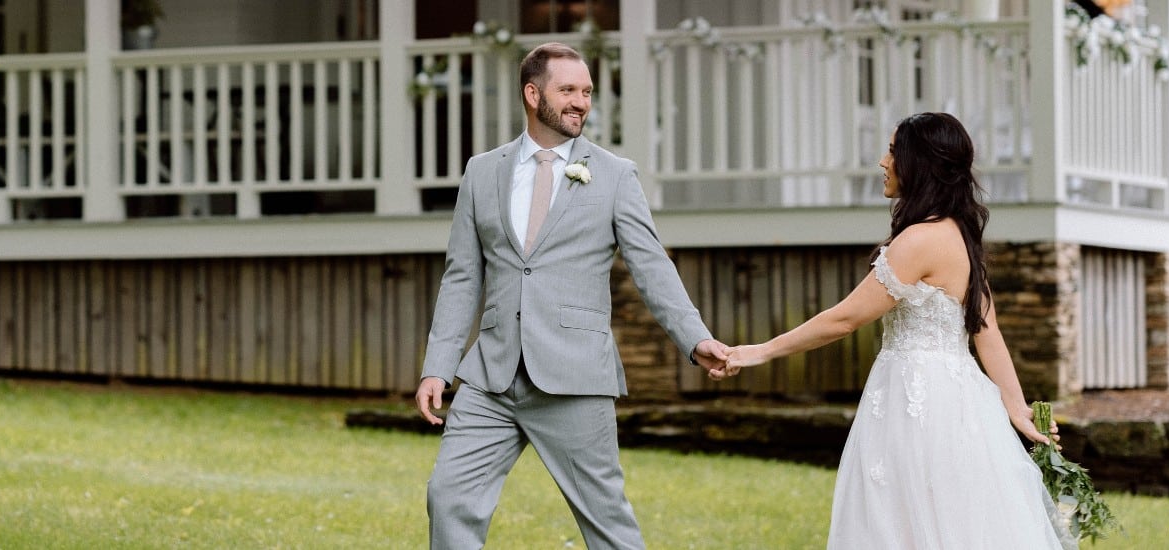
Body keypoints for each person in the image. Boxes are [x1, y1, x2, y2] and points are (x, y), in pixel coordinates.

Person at [415, 42, 729, 550]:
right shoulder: (482, 172)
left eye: (586, 91)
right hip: (490, 378)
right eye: (568, 90)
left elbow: (652, 266)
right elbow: (462, 276)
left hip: (575, 378)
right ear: (532, 93)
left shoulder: (614, 174)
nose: (581, 101)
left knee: (607, 523)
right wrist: (438, 365)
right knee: (448, 497)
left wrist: (695, 339)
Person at [718, 112, 1076, 550]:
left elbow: (845, 319)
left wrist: (757, 352)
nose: (882, 161)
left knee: (906, 523)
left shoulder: (920, 240)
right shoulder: (958, 233)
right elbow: (987, 328)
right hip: (958, 401)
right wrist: (1014, 407)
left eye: (892, 150)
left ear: (917, 162)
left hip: (917, 408)